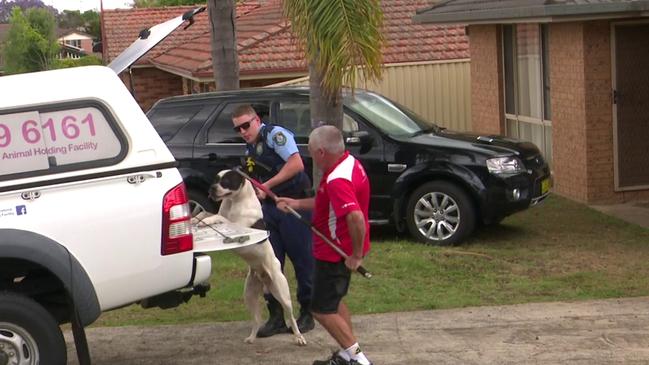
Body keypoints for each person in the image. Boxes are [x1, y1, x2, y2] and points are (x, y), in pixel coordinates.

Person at [277, 125, 373, 365]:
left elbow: (356, 217)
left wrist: (356, 255)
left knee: (320, 309)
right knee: (334, 301)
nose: (311, 157)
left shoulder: (337, 179)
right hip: (335, 249)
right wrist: (296, 204)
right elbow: (324, 204)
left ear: (321, 152)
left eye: (310, 152)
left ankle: (360, 360)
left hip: (335, 252)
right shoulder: (349, 164)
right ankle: (347, 354)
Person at [231, 104, 315, 336]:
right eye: (238, 129)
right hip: (269, 209)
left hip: (292, 204)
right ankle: (276, 315)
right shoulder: (250, 149)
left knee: (302, 260)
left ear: (257, 120)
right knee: (269, 262)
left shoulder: (275, 136)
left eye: (246, 125)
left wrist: (268, 185)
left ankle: (308, 313)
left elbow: (296, 164)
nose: (243, 132)